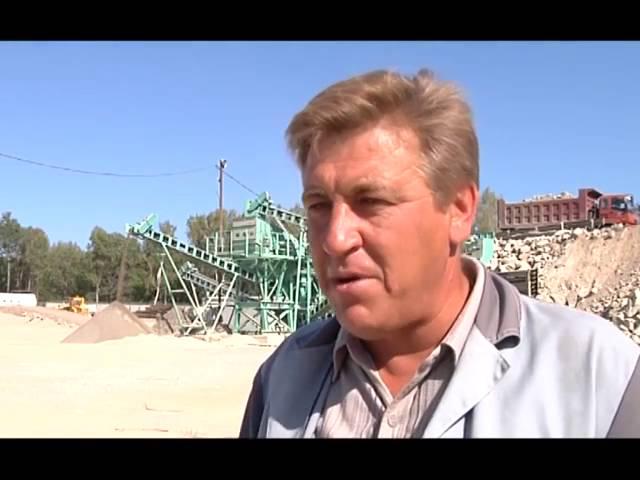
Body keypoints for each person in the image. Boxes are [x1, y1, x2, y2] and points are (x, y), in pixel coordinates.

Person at [238, 68, 640, 438]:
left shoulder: (598, 376)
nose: (335, 238)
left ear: (459, 210)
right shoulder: (282, 377)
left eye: (372, 201)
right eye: (318, 205)